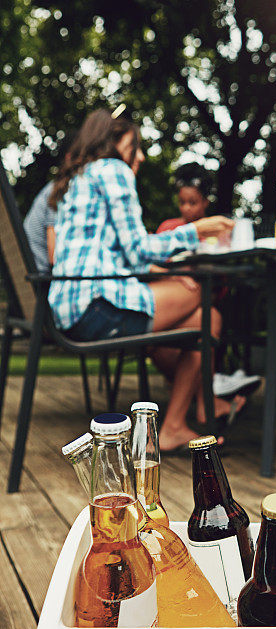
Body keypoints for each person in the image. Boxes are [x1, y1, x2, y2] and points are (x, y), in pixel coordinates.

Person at [48, 108, 236, 452]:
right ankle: (192, 411)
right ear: (115, 144)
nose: (142, 156)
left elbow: (116, 253)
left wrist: (164, 271)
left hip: (71, 307)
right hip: (97, 307)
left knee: (206, 319)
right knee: (200, 296)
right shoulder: (114, 169)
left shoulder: (80, 177)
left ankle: (174, 426)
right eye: (135, 146)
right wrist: (195, 230)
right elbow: (137, 250)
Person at [157, 161, 261, 402]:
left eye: (192, 203)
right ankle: (210, 392)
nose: (186, 209)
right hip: (172, 303)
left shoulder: (219, 231)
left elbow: (223, 280)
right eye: (182, 202)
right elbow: (155, 265)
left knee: (212, 315)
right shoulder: (169, 228)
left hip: (208, 299)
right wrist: (178, 276)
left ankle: (209, 391)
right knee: (205, 321)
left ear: (205, 202)